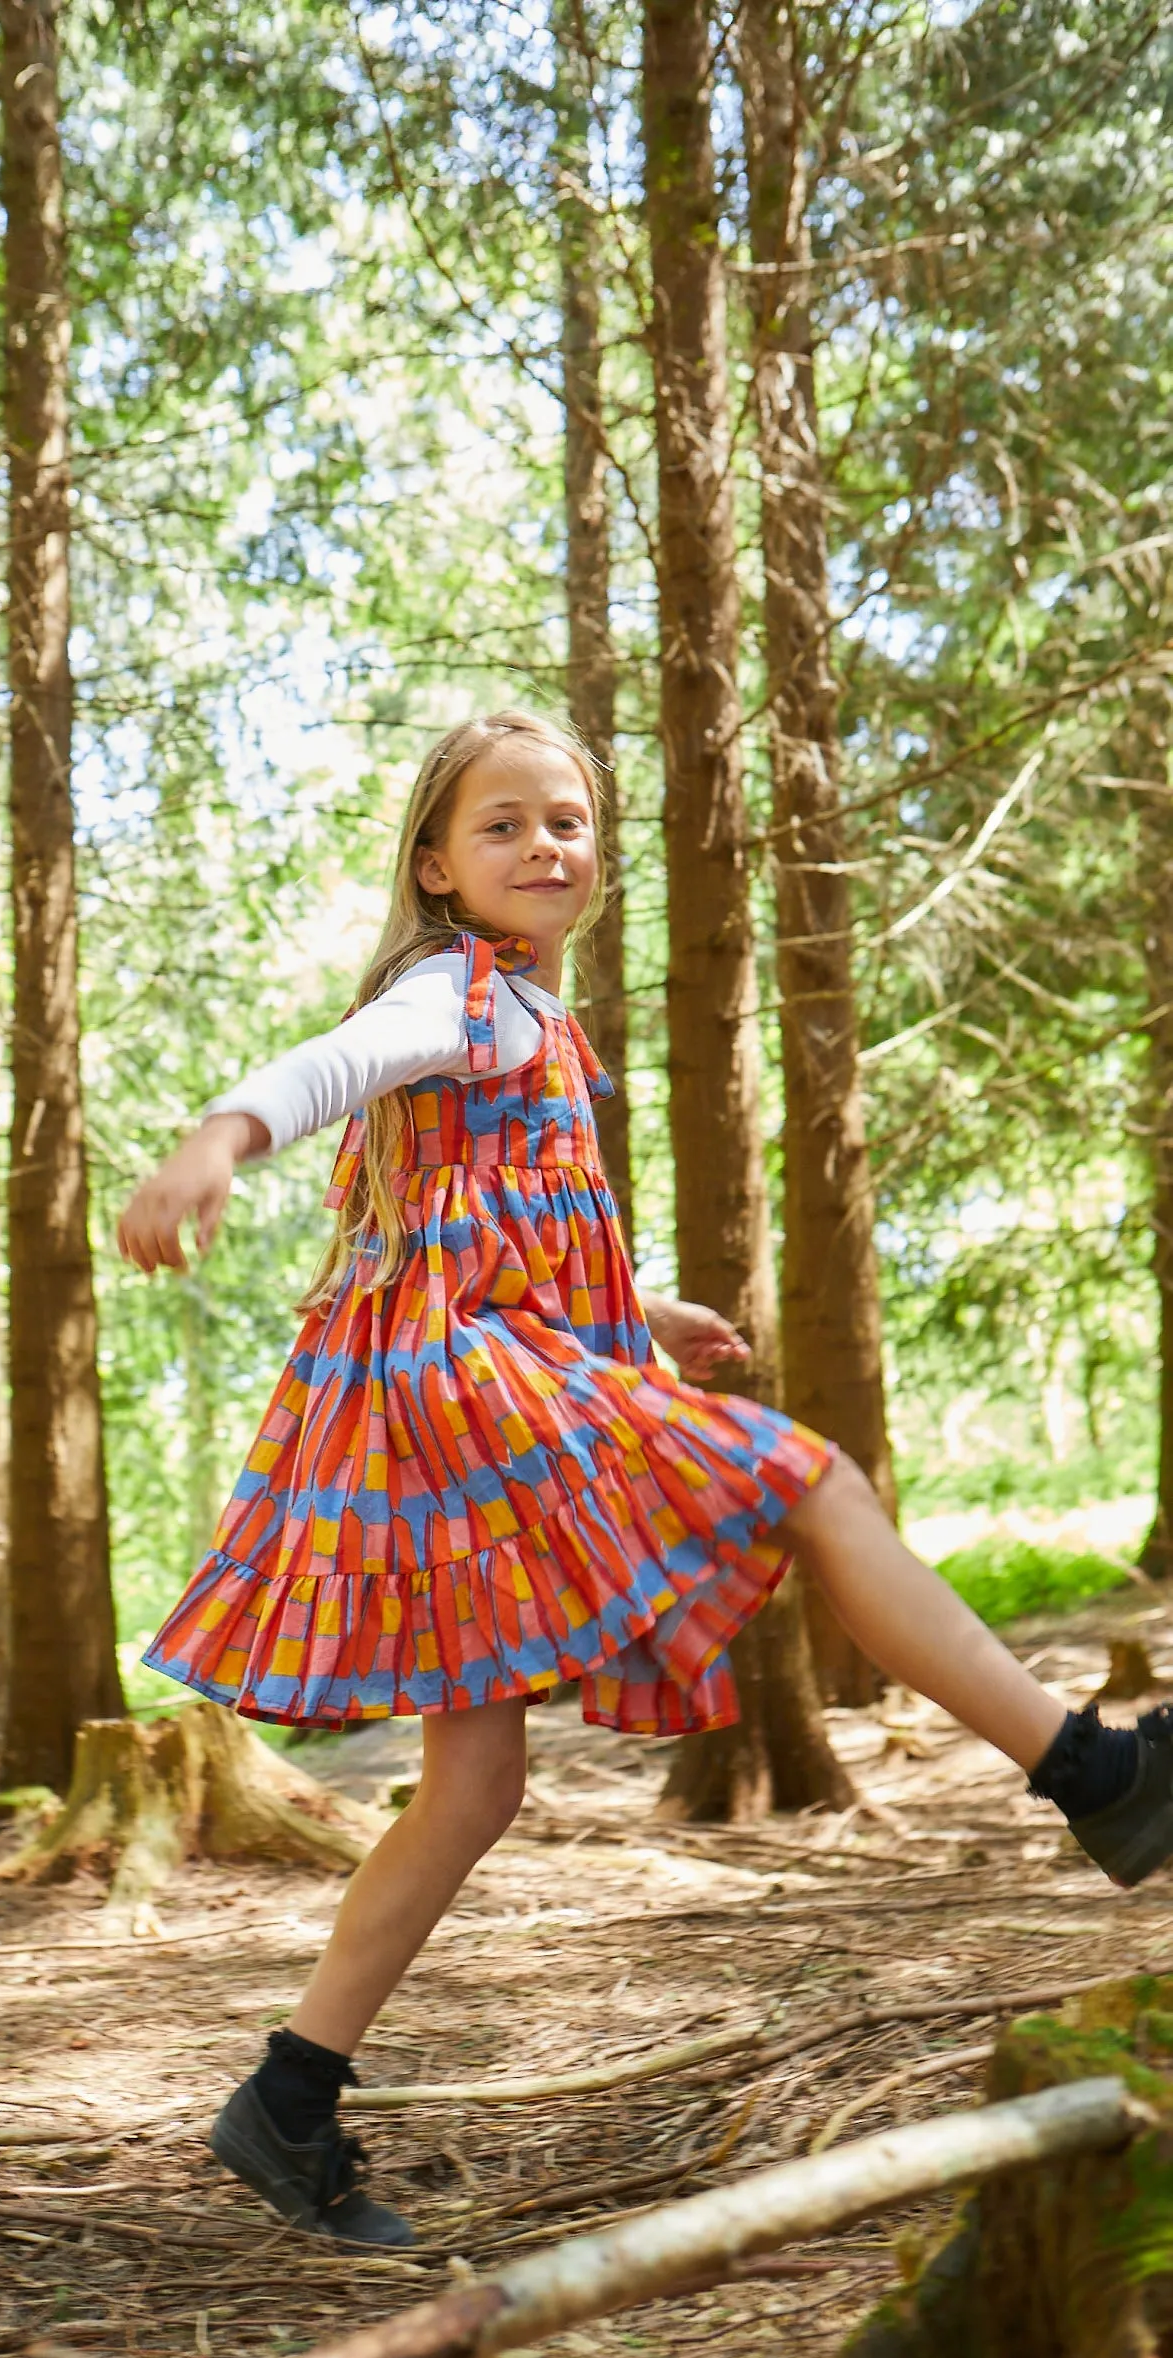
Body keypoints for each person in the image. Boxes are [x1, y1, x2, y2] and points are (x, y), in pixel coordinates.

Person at [118, 708, 1172, 2251]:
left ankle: (286, 2100)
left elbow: (500, 1217)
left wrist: (639, 1307)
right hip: (452, 1393)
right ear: (433, 864)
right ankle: (1092, 1773)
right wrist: (219, 1137)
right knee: (805, 1479)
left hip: (472, 1386)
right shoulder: (452, 995)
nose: (546, 845)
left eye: (568, 822)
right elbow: (334, 1064)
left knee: (475, 1783)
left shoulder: (536, 1017)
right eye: (503, 826)